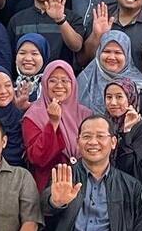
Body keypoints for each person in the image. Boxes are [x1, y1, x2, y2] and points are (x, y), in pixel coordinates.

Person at [22, 62, 92, 191]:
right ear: (44, 83)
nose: (59, 85)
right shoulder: (33, 116)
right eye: (53, 80)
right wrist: (53, 123)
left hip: (86, 183)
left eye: (65, 80)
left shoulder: (85, 114)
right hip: (50, 186)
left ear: (73, 83)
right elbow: (37, 158)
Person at [6, 0, 85, 66]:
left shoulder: (72, 18)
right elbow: (10, 56)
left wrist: (60, 20)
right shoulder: (17, 20)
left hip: (58, 75)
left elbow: (77, 46)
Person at [77, 30, 142, 114]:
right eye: (107, 51)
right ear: (99, 52)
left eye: (118, 52)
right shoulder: (85, 80)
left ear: (127, 56)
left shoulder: (140, 89)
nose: (112, 57)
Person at [104, 79, 142, 183]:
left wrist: (127, 131)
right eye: (109, 97)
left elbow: (128, 165)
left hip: (131, 185)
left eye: (119, 97)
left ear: (130, 99)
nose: (113, 102)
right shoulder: (103, 125)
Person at [14, 33, 50, 103]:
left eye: (34, 54)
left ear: (44, 57)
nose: (28, 58)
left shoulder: (51, 88)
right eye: (22, 53)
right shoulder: (8, 87)